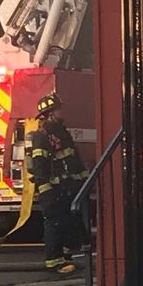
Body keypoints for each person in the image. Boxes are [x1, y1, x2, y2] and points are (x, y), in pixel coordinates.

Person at [25, 94, 86, 272]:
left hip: (66, 187)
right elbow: (39, 166)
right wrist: (45, 189)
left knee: (68, 222)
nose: (62, 111)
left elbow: (73, 159)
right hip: (51, 190)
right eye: (58, 108)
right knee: (54, 223)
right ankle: (54, 262)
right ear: (50, 113)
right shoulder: (41, 136)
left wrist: (84, 179)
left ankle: (66, 257)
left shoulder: (61, 132)